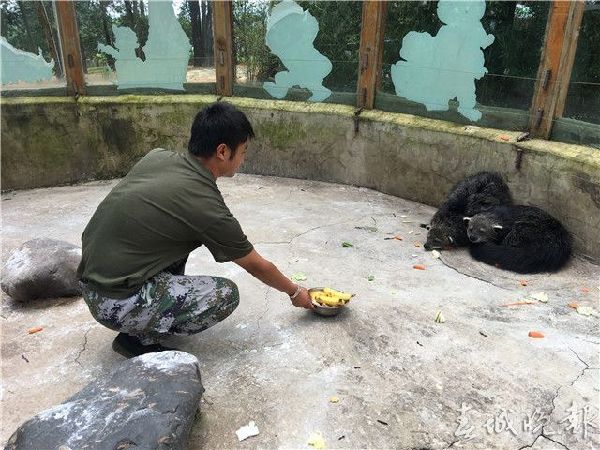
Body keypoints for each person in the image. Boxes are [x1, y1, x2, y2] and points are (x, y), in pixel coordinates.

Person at [77, 102, 314, 357]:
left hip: (92, 279)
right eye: (243, 151)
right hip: (113, 301)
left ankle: (144, 316)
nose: (243, 159)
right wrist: (295, 292)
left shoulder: (157, 157)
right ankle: (137, 340)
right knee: (224, 295)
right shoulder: (205, 205)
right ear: (222, 151)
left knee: (176, 239)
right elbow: (257, 266)